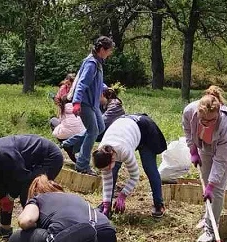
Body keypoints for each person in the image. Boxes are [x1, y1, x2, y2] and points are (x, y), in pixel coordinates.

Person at [182, 86, 227, 242]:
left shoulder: (226, 124)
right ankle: (207, 216)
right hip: (205, 145)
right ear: (198, 113)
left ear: (218, 112)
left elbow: (221, 160)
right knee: (205, 177)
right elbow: (187, 130)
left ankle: (210, 230)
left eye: (211, 120)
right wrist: (193, 150)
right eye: (204, 120)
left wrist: (211, 185)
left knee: (216, 189)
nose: (207, 123)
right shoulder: (190, 112)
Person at [92, 114, 168, 219]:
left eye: (107, 167)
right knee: (112, 172)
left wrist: (123, 195)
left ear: (112, 158)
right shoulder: (102, 151)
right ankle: (107, 206)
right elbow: (107, 179)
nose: (106, 171)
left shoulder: (124, 151)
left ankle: (159, 204)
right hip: (125, 130)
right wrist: (106, 203)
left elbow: (134, 176)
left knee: (150, 168)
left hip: (145, 130)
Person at [71, 36, 115, 175]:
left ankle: (70, 144)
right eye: (109, 50)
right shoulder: (91, 63)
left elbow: (96, 82)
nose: (110, 53)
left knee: (100, 127)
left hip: (93, 104)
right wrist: (76, 103)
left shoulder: (98, 62)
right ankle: (82, 165)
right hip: (85, 103)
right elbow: (82, 83)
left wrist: (106, 88)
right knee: (93, 131)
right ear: (102, 49)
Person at [61, 85, 125, 163]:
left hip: (114, 135)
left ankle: (70, 145)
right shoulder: (102, 104)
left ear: (101, 94)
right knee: (91, 131)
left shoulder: (115, 106)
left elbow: (100, 123)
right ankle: (72, 147)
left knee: (92, 131)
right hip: (106, 131)